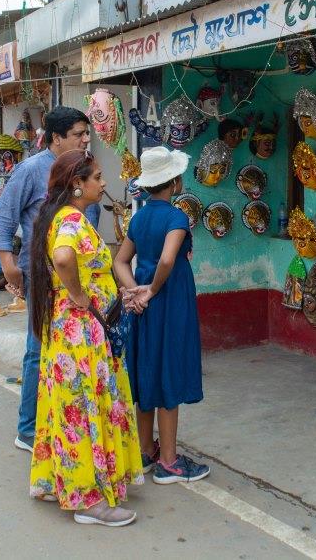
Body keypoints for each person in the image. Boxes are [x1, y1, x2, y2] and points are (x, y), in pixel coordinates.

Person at [28, 149, 143, 526]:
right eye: (97, 177)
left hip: (73, 330)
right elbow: (63, 259)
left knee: (69, 406)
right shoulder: (71, 221)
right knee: (85, 408)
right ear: (77, 184)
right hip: (80, 335)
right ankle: (90, 501)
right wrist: (79, 295)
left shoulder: (60, 216)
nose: (104, 182)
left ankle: (57, 480)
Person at [0, 106, 101, 453]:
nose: (86, 139)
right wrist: (9, 266)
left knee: (73, 351)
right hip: (43, 276)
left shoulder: (85, 171)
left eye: (87, 133)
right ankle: (28, 429)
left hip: (80, 279)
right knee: (40, 348)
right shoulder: (31, 170)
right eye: (79, 134)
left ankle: (65, 423)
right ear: (56, 138)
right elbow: (1, 219)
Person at [113, 147, 209, 484]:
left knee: (147, 369)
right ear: (175, 181)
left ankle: (145, 451)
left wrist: (133, 291)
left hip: (143, 305)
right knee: (169, 369)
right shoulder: (176, 217)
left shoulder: (138, 218)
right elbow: (168, 260)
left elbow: (120, 261)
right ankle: (169, 461)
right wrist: (151, 290)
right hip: (169, 301)